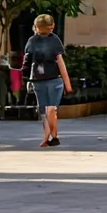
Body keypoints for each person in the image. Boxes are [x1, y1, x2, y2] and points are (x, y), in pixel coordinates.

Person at [21, 14, 71, 147]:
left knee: (43, 109)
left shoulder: (31, 41)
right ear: (52, 27)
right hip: (55, 79)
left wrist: (25, 77)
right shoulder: (55, 40)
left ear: (36, 27)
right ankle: (53, 136)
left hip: (38, 79)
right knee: (52, 109)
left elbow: (26, 62)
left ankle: (46, 136)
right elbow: (60, 61)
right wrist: (68, 84)